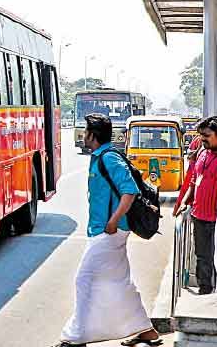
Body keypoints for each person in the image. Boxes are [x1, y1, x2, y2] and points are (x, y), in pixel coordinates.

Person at [53, 113, 160, 347]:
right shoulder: (101, 156)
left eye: (86, 132)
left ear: (92, 135)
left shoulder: (109, 158)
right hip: (104, 230)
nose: (83, 136)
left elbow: (129, 191)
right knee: (119, 281)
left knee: (84, 279)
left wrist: (113, 220)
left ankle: (75, 336)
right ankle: (146, 330)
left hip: (109, 231)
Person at [174, 116, 217, 295]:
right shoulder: (202, 153)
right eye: (201, 135)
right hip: (200, 215)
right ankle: (205, 290)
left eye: (206, 135)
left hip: (214, 216)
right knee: (203, 256)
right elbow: (193, 181)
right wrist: (184, 202)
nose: (202, 139)